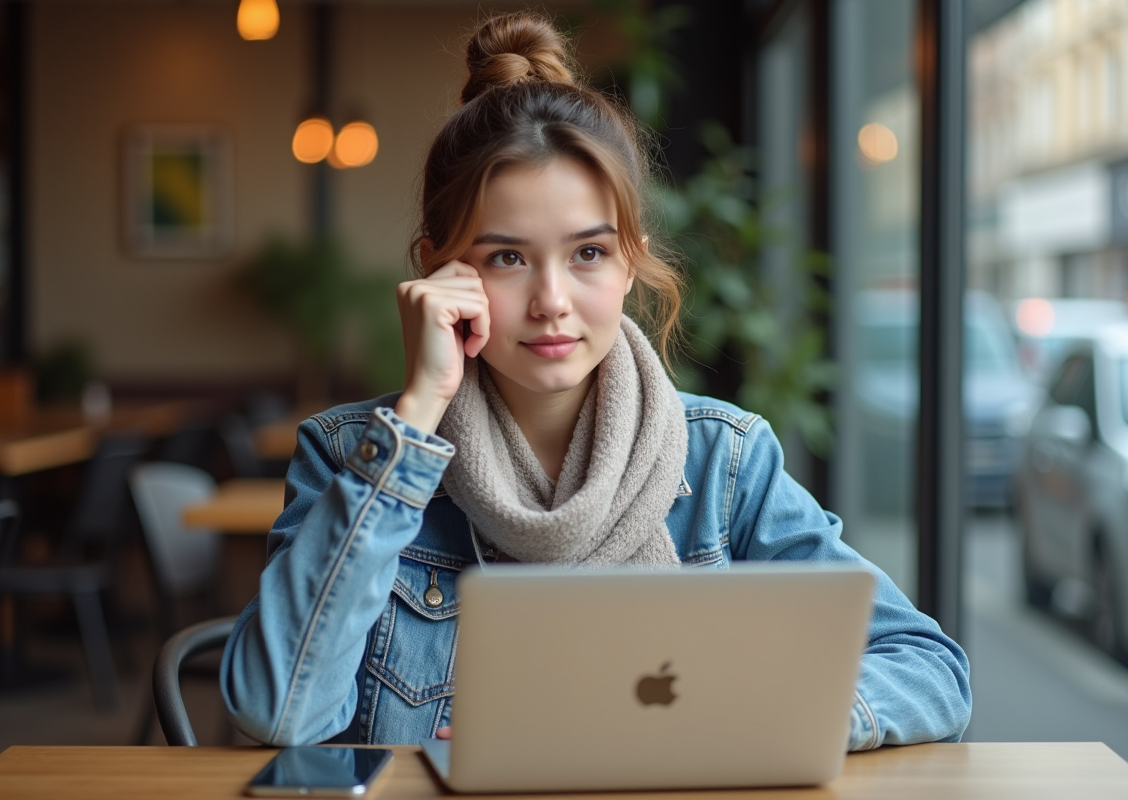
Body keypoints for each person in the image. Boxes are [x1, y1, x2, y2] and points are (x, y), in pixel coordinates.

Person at [221, 10, 971, 751]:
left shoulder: (723, 461)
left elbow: (931, 670)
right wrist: (417, 418)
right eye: (507, 258)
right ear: (437, 271)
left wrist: (758, 717)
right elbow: (280, 709)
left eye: (587, 254)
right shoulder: (350, 454)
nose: (552, 301)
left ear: (629, 261)